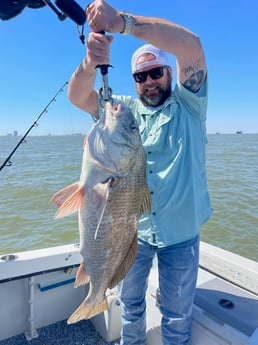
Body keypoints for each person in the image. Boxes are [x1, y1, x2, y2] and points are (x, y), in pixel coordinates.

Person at [68, 1, 212, 344]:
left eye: (155, 73)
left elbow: (190, 45)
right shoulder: (122, 112)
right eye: (140, 76)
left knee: (177, 317)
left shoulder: (190, 104)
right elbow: (78, 96)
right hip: (133, 234)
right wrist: (90, 62)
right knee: (130, 308)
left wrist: (122, 23)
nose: (148, 81)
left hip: (181, 236)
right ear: (133, 81)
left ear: (170, 73)